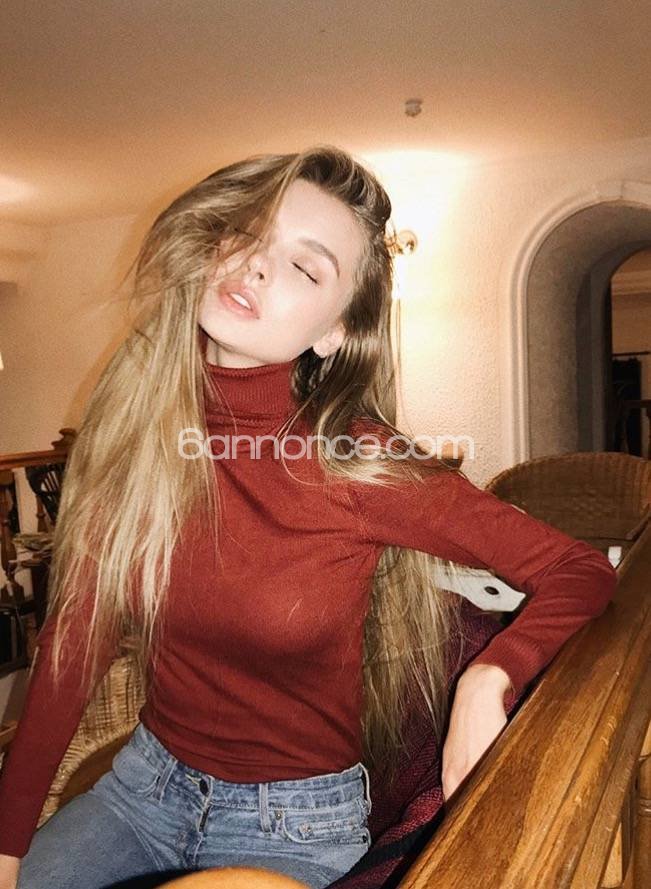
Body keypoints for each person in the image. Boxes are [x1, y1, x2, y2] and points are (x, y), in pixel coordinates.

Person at [0, 146, 618, 889]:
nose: (258, 266)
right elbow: (76, 642)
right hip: (140, 793)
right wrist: (7, 842)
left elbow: (578, 568)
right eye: (249, 233)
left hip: (290, 826)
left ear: (335, 333)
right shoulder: (138, 428)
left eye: (305, 266)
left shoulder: (360, 463)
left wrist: (491, 677)